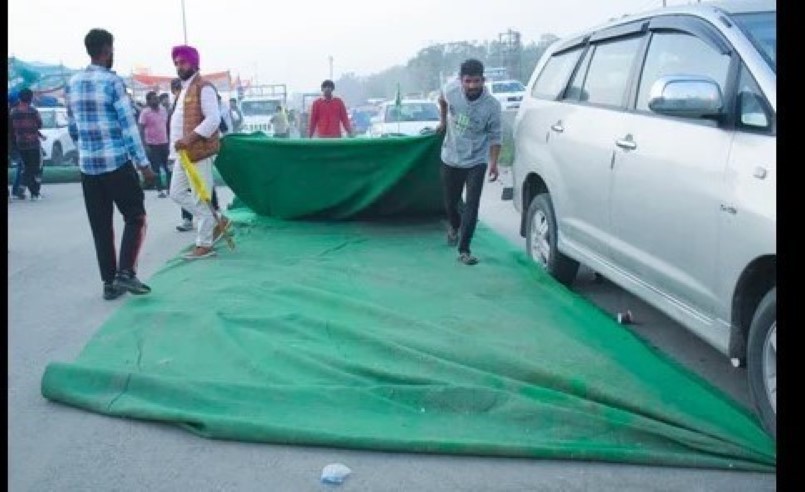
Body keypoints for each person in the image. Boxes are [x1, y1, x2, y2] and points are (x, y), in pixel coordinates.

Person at [66, 28, 157, 299]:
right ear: (107, 50)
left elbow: (73, 128)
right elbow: (128, 128)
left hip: (88, 168)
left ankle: (109, 284)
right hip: (115, 162)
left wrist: (86, 149)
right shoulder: (112, 82)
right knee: (135, 215)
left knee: (101, 225)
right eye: (112, 49)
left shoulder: (74, 82)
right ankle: (126, 273)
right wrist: (144, 165)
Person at [436, 59, 501, 266]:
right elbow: (442, 100)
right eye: (468, 81)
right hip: (451, 156)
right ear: (460, 81)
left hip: (477, 160)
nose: (472, 86)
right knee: (451, 202)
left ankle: (464, 249)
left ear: (484, 80)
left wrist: (493, 163)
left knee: (472, 205)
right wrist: (443, 122)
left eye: (477, 81)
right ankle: (454, 226)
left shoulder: (492, 106)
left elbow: (495, 136)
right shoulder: (451, 90)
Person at [167, 44, 230, 259]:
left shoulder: (205, 87)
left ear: (194, 63)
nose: (179, 66)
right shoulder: (183, 89)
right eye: (176, 63)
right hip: (182, 154)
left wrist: (188, 139)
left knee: (200, 197)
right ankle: (216, 219)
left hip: (199, 152)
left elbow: (213, 120)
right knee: (176, 193)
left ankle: (204, 244)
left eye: (183, 62)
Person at [10, 88, 44, 201]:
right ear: (31, 98)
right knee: (36, 168)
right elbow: (39, 124)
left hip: (20, 143)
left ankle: (30, 191)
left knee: (26, 167)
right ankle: (30, 190)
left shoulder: (13, 112)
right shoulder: (33, 111)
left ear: (19, 98)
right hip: (33, 143)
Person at [138, 91, 171, 197]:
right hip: (152, 144)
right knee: (156, 168)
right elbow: (141, 129)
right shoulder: (145, 113)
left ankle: (170, 189)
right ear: (148, 101)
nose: (156, 100)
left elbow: (167, 126)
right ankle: (160, 190)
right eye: (153, 99)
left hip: (164, 143)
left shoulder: (163, 110)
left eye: (156, 98)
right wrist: (144, 145)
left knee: (168, 167)